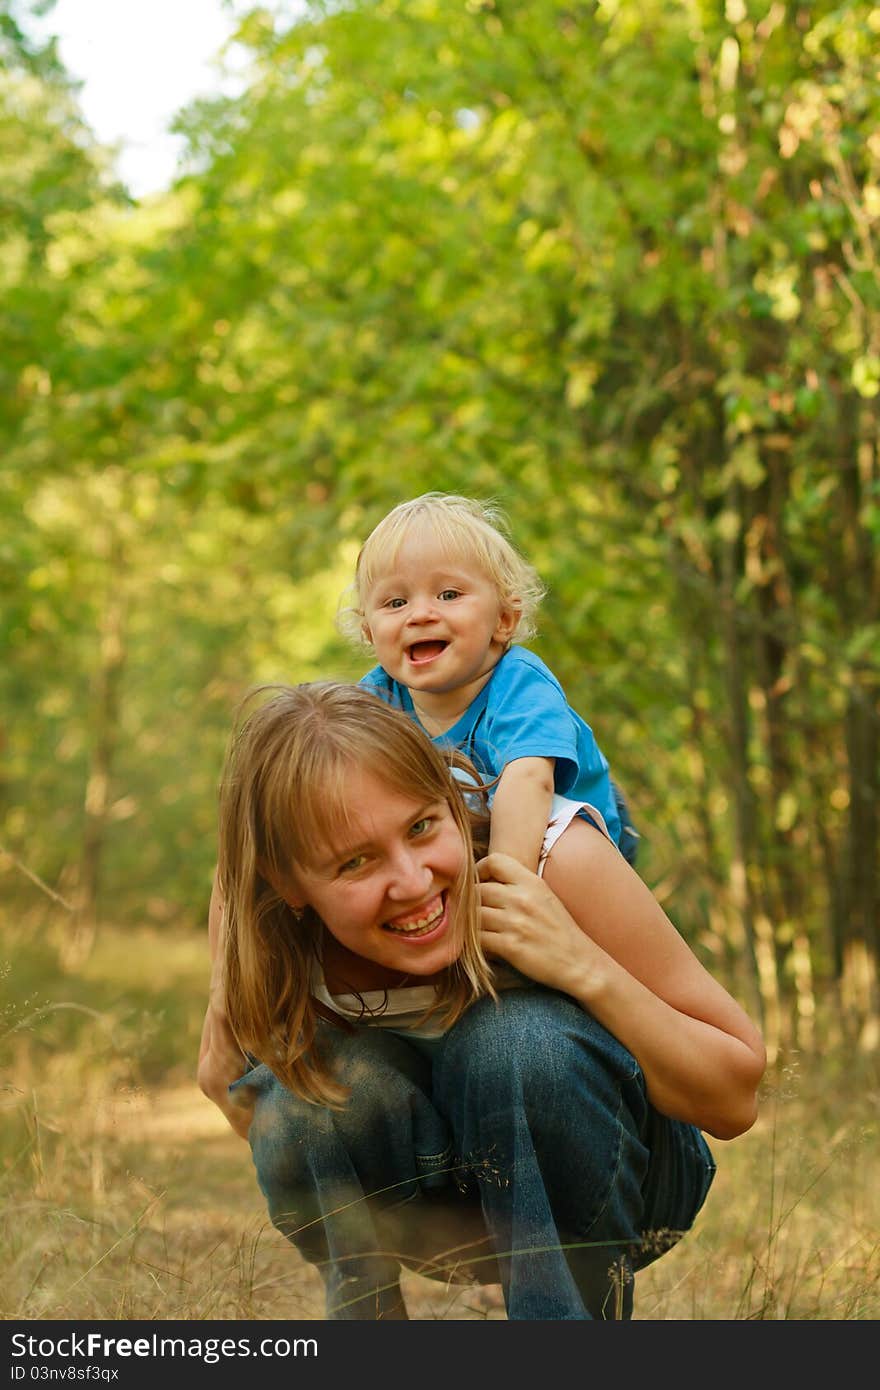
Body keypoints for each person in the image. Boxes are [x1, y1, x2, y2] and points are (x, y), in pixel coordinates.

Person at [197, 681, 765, 1321]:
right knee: (306, 1092)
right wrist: (226, 1008)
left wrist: (584, 967)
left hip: (619, 1178)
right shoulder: (270, 929)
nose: (412, 883)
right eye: (355, 863)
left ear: (451, 796)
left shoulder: (555, 860)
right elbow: (261, 1120)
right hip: (433, 1212)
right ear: (289, 883)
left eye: (421, 827)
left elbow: (734, 1096)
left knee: (516, 1042)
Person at [337, 491, 641, 874]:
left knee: (559, 865)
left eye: (449, 594)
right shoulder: (376, 701)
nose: (420, 614)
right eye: (396, 603)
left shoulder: (520, 687)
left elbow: (529, 782)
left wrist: (503, 889)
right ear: (369, 631)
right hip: (473, 833)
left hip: (568, 839)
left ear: (504, 620)